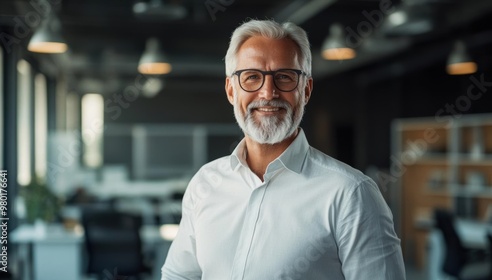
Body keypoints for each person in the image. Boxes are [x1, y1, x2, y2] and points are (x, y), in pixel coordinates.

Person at [161, 19, 405, 280]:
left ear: (306, 90)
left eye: (284, 77)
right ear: (231, 90)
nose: (268, 92)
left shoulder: (351, 194)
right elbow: (180, 276)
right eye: (252, 77)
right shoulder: (205, 183)